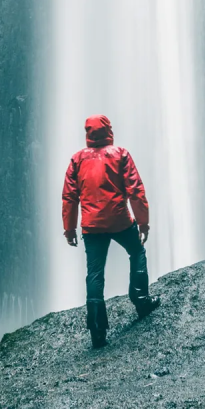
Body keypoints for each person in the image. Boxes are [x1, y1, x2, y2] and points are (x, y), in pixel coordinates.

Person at [62, 114, 161, 348]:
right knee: (137, 251)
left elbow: (69, 197)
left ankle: (97, 330)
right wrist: (143, 222)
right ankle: (141, 300)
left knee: (95, 273)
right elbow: (136, 190)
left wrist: (69, 229)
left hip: (92, 226)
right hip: (120, 220)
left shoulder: (77, 160)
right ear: (108, 131)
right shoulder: (121, 154)